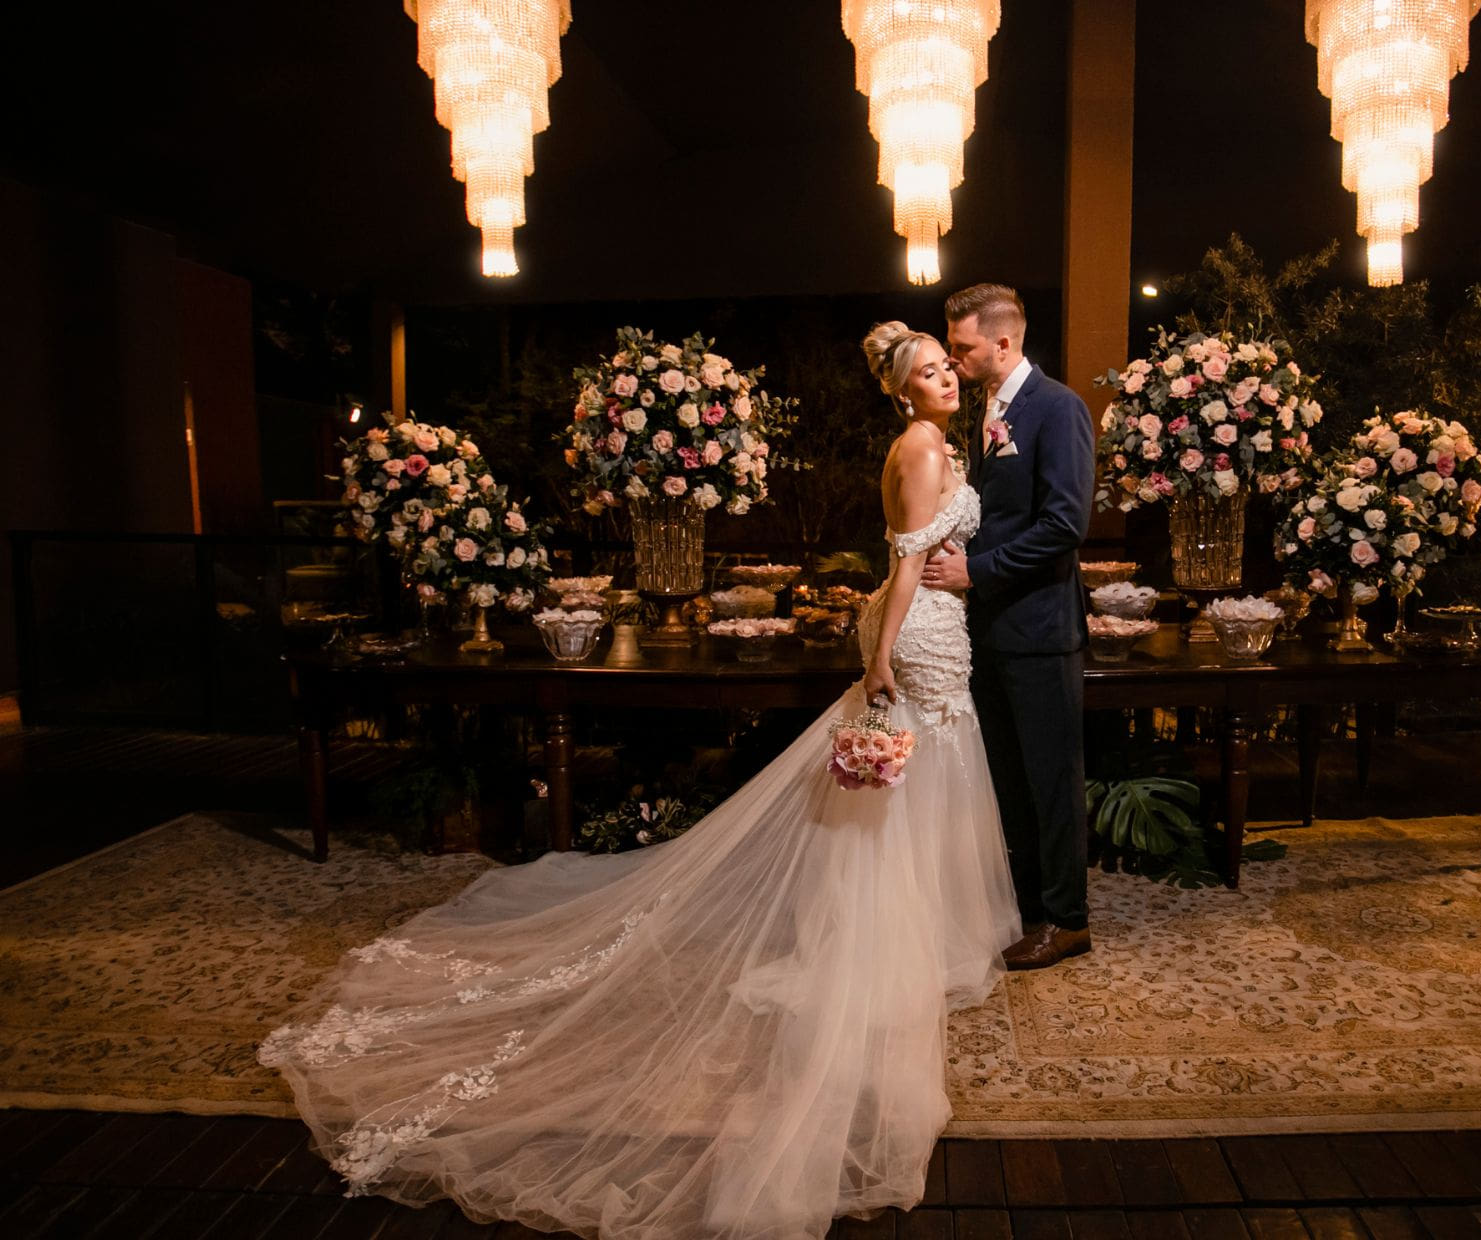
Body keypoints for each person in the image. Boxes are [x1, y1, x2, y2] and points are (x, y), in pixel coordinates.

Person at [259, 323, 1020, 1240]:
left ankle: (913, 929)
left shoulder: (932, 442)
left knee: (916, 776)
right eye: (930, 372)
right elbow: (904, 562)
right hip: (919, 633)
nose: (947, 377)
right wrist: (883, 655)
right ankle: (887, 941)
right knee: (908, 776)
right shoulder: (923, 447)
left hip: (935, 624)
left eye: (946, 366)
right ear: (904, 394)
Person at [920, 284, 1096, 971]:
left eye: (961, 347)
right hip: (990, 629)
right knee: (1010, 783)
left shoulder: (1058, 407)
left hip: (1042, 629)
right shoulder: (989, 411)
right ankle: (1027, 911)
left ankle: (1068, 921)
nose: (953, 360)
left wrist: (977, 570)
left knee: (1052, 780)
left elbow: (1064, 524)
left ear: (1003, 342)